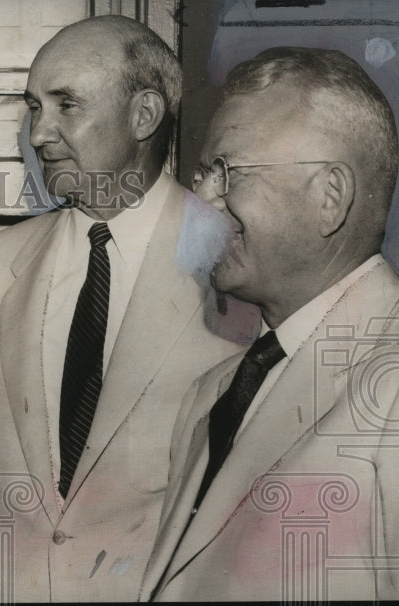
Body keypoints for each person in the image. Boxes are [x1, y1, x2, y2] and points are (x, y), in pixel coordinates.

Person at [0, 15, 255, 602]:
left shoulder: (235, 263)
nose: (39, 134)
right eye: (32, 107)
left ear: (144, 116)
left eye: (65, 105)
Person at [142, 47, 399, 602]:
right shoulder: (212, 394)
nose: (199, 201)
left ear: (330, 197)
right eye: (202, 174)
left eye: (226, 172)